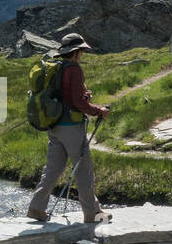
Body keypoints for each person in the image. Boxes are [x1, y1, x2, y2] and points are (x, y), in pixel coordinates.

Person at [26, 32, 112, 224]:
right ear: (75, 52)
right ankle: (92, 214)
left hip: (54, 126)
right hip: (71, 127)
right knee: (83, 170)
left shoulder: (56, 67)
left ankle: (36, 208)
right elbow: (76, 103)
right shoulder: (73, 69)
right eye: (81, 51)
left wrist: (84, 97)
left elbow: (67, 97)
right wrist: (99, 110)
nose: (82, 55)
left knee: (53, 169)